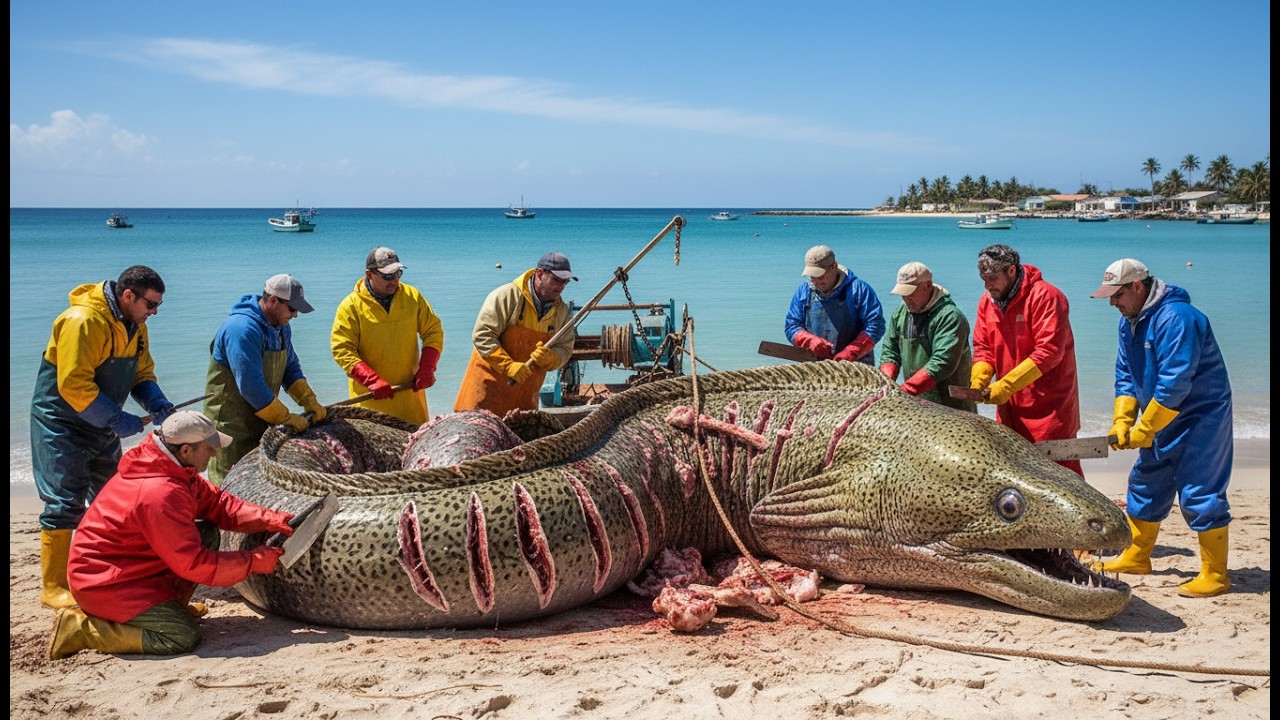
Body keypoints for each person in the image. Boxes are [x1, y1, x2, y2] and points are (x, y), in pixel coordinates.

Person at [49, 411, 293, 660]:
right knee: (180, 637)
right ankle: (81, 629)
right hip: (104, 583)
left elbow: (217, 504)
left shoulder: (172, 468)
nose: (214, 454)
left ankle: (169, 608)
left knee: (206, 532)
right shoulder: (160, 493)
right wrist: (252, 562)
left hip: (131, 567)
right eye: (209, 448)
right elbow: (193, 563)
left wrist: (268, 518)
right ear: (186, 450)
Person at [30, 265, 178, 610]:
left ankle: (110, 572)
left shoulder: (136, 326)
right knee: (64, 501)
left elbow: (142, 371)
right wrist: (116, 418)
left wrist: (155, 400)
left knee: (112, 499)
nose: (154, 312)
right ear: (128, 296)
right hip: (61, 422)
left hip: (101, 423)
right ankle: (53, 586)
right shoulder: (83, 321)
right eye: (151, 304)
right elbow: (73, 385)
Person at [1090, 259, 1234, 597]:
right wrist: (1123, 420)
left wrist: (1146, 428)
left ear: (1138, 286)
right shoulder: (1130, 322)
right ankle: (1138, 556)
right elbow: (1125, 375)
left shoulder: (1178, 318)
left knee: (1200, 490)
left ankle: (1216, 574)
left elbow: (1175, 383)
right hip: (1160, 417)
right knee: (1145, 482)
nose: (1112, 303)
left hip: (1200, 417)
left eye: (1117, 295)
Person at [970, 244, 1083, 477]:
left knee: (1061, 474)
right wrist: (979, 380)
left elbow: (1049, 351)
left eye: (992, 278)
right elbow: (983, 347)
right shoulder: (987, 301)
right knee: (1019, 476)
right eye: (983, 279)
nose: (987, 285)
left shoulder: (1046, 296)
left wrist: (1006, 385)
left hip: (1050, 406)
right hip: (1010, 406)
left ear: (1011, 271)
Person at [204, 274, 326, 484]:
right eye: (292, 308)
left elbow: (290, 367)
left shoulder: (280, 327)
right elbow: (250, 386)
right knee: (229, 485)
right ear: (272, 300)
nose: (295, 315)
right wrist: (285, 418)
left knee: (257, 485)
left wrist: (309, 400)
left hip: (261, 419)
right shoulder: (242, 329)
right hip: (232, 426)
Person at [454, 251, 577, 417]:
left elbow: (564, 349)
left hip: (523, 404)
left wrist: (552, 358)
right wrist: (508, 366)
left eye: (565, 282)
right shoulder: (506, 296)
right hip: (484, 395)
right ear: (540, 274)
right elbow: (483, 335)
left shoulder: (562, 313)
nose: (561, 286)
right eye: (557, 280)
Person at [331, 247, 444, 424]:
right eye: (388, 276)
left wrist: (428, 367)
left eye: (398, 274)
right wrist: (371, 380)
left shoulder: (412, 296)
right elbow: (342, 350)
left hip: (410, 397)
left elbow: (433, 331)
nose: (394, 281)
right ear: (369, 274)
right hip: (370, 402)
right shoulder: (350, 307)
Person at [878, 261, 976, 412]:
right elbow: (890, 352)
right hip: (918, 405)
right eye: (902, 293)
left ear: (927, 286)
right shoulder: (900, 314)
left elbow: (942, 362)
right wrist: (886, 385)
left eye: (910, 292)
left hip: (952, 407)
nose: (905, 298)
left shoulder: (950, 316)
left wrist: (906, 390)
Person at [785, 245, 885, 364]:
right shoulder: (803, 292)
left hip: (857, 365)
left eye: (820, 276)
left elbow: (875, 325)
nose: (816, 281)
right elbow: (791, 325)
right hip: (815, 365)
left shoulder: (859, 290)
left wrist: (852, 351)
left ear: (834, 267)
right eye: (812, 276)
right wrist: (809, 341)